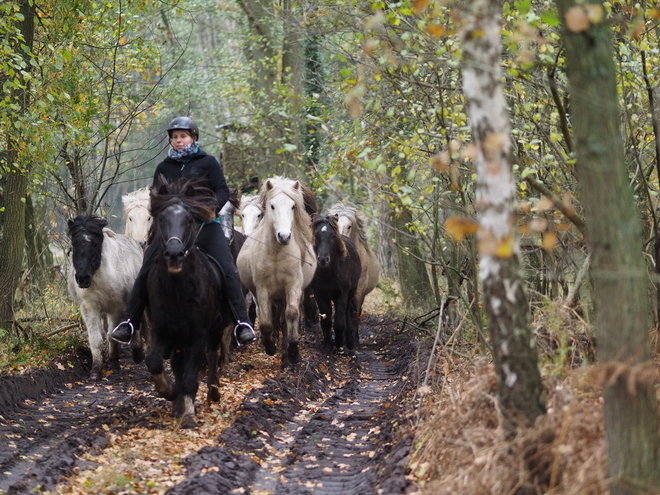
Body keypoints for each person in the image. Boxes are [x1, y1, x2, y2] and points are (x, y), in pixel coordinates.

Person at [111, 116, 257, 347]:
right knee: (145, 269)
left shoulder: (208, 162)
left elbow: (221, 190)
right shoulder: (164, 167)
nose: (178, 140)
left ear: (193, 138)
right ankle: (129, 322)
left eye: (183, 136)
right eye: (175, 137)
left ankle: (242, 322)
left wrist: (211, 209)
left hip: (205, 227)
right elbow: (156, 196)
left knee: (228, 269)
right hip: (171, 231)